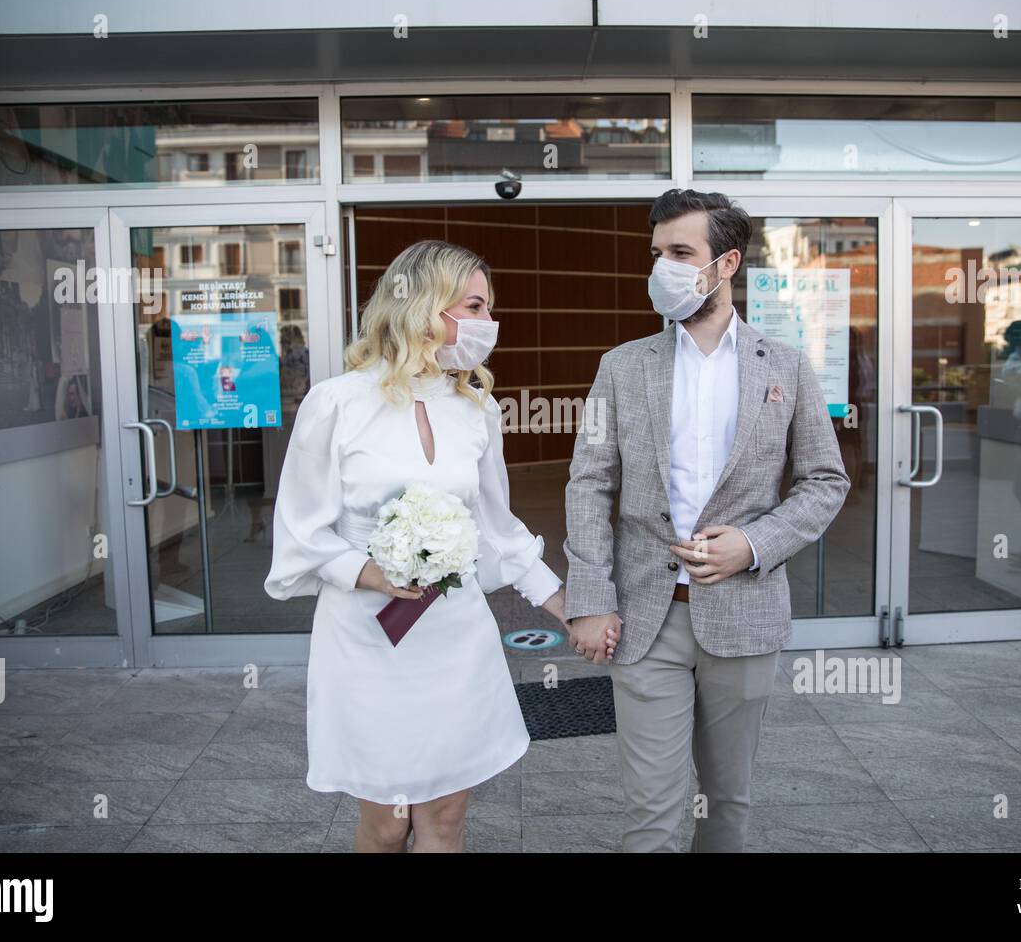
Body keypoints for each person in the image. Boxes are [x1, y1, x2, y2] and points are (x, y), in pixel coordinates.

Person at [264, 239, 591, 852]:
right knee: (387, 823)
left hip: (454, 635)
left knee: (444, 819)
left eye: (488, 309)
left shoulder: (477, 410)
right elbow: (301, 532)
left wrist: (566, 603)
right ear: (421, 306)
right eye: (472, 305)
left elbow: (496, 526)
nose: (486, 323)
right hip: (367, 637)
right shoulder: (336, 404)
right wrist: (371, 573)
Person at [564, 188, 850, 852]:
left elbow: (824, 481)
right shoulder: (621, 367)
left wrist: (752, 544)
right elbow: (588, 483)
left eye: (681, 252)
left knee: (726, 802)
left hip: (744, 613)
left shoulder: (787, 365)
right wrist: (589, 598)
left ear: (727, 263)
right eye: (657, 253)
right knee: (652, 812)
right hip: (644, 615)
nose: (663, 266)